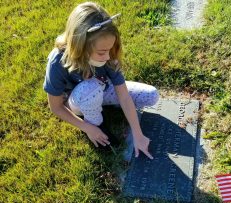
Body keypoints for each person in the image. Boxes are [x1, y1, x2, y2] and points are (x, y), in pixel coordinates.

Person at [43, 2, 159, 159]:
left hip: (101, 90)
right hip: (77, 101)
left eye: (110, 50)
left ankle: (101, 105)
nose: (108, 57)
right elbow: (56, 107)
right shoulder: (57, 61)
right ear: (80, 46)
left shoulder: (108, 54)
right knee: (89, 89)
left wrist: (138, 134)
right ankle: (97, 124)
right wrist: (88, 128)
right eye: (102, 52)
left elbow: (124, 96)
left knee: (151, 95)